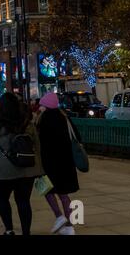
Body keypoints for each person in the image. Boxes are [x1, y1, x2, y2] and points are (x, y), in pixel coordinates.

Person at [0, 93, 43, 236]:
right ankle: (26, 231)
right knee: (24, 202)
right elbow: (37, 147)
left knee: (2, 200)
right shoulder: (28, 124)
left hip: (3, 172)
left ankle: (9, 230)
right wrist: (40, 169)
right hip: (27, 170)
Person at [37, 92, 80, 235]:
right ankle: (69, 227)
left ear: (47, 105)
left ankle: (59, 216)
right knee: (64, 194)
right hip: (66, 162)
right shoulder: (65, 118)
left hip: (49, 162)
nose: (40, 107)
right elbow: (77, 137)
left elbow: (39, 142)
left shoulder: (43, 120)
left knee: (47, 190)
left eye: (42, 105)